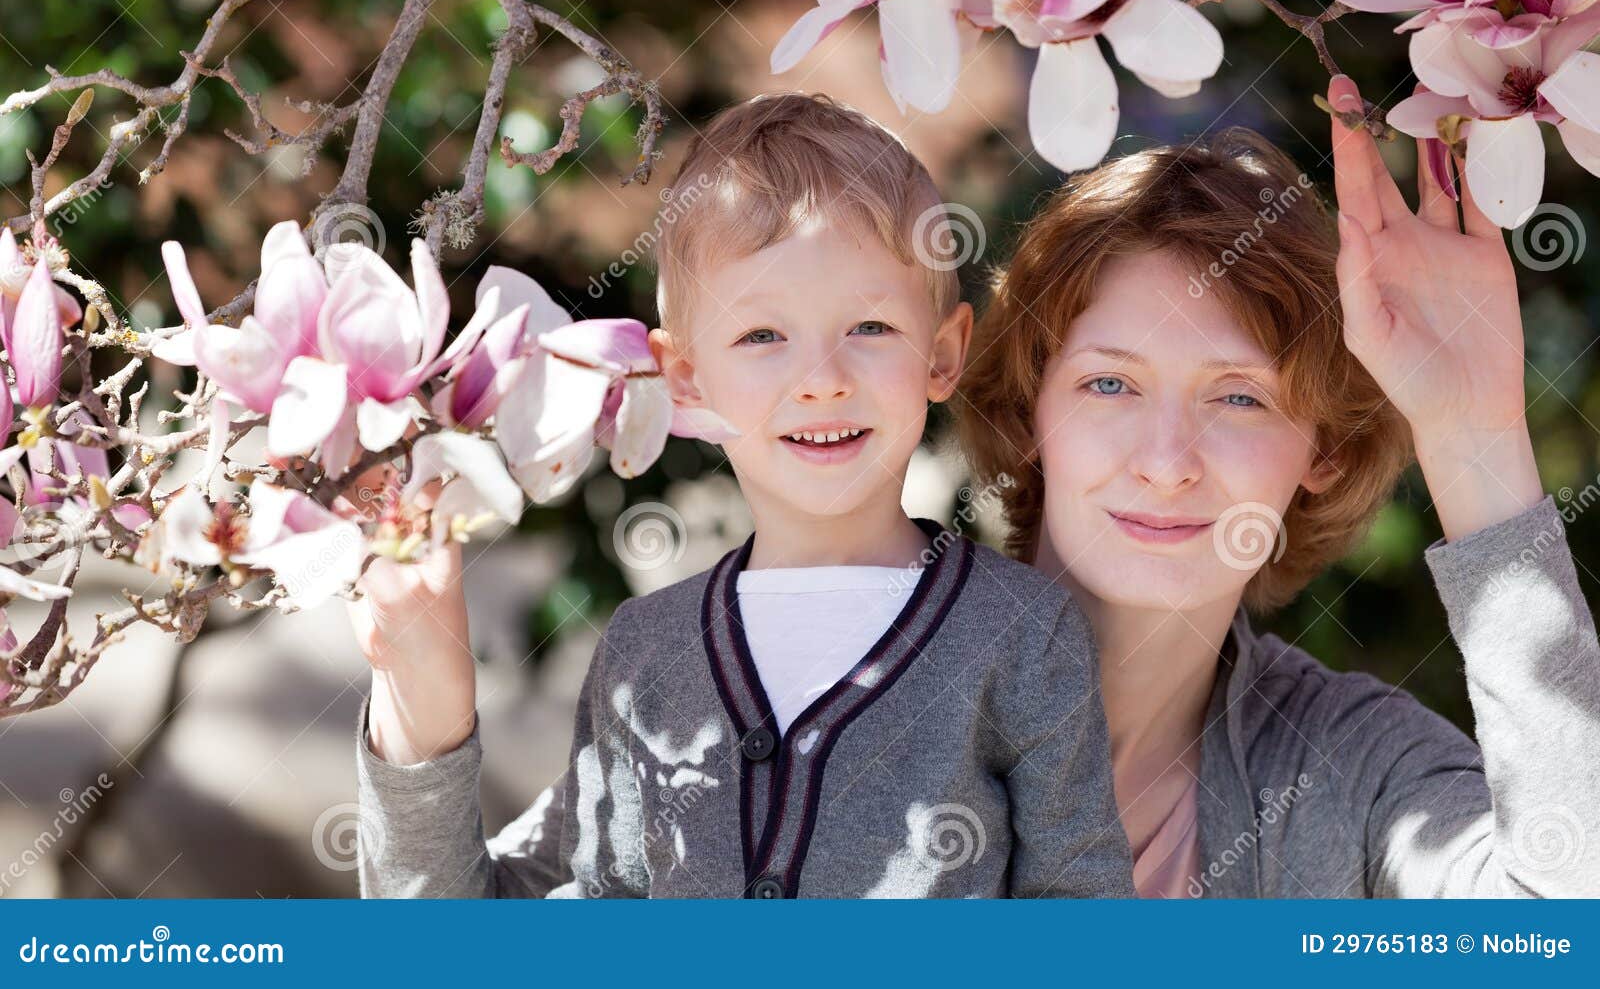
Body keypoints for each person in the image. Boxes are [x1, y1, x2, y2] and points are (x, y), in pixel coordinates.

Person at [349, 92, 1136, 898]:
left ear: (942, 354)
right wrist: (419, 712)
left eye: (869, 329)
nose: (822, 380)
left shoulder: (1022, 634)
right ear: (685, 380)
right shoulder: (644, 654)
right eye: (762, 335)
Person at [958, 74, 1600, 897]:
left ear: (1322, 452)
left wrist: (1475, 434)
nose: (1167, 459)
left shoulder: (1352, 767)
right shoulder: (866, 686)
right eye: (1110, 385)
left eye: (1239, 397)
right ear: (1027, 412)